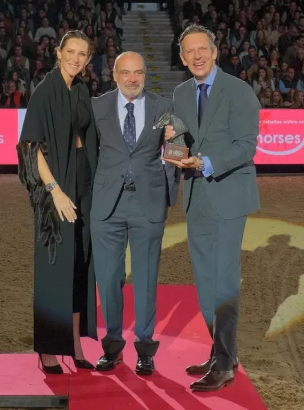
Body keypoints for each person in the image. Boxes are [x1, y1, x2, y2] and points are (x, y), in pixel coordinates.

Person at [164, 24, 261, 392]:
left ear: (216, 51)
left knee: (223, 281)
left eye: (202, 48)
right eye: (189, 51)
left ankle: (224, 364)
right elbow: (180, 139)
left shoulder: (239, 91)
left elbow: (245, 147)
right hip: (196, 198)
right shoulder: (180, 92)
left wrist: (204, 163)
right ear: (183, 57)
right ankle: (223, 351)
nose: (197, 55)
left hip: (228, 196)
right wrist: (172, 144)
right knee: (205, 284)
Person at [89, 52, 179, 376]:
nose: (132, 78)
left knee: (145, 278)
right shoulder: (97, 106)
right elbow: (86, 152)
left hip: (148, 204)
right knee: (109, 279)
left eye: (138, 72)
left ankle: (145, 350)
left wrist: (167, 192)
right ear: (114, 76)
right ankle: (112, 347)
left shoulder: (163, 106)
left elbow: (178, 150)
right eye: (125, 73)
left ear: (144, 74)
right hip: (106, 206)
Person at [16, 30, 99, 374]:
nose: (76, 59)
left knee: (80, 263)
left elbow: (87, 134)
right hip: (56, 188)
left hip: (83, 183)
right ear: (58, 52)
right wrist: (55, 190)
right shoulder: (45, 91)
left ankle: (75, 343)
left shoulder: (80, 89)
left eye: (83, 54)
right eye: (72, 52)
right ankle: (49, 348)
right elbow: (30, 148)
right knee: (54, 265)